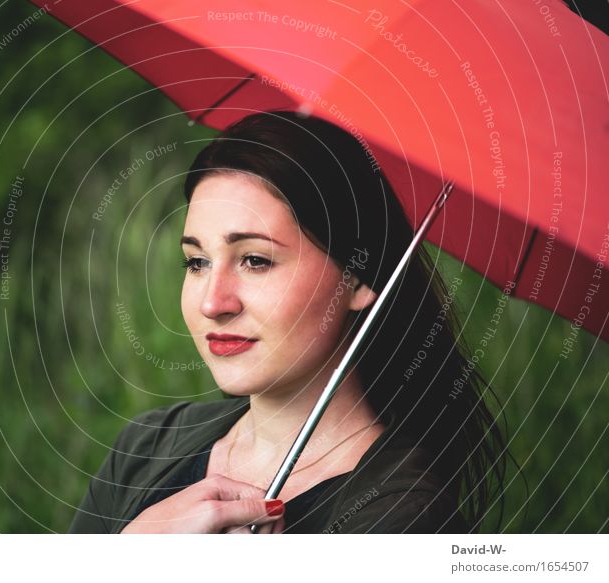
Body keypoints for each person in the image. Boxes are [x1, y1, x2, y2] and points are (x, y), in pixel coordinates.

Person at [69, 111, 507, 534]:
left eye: (256, 260)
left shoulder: (403, 522)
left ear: (358, 278)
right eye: (197, 261)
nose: (212, 303)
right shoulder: (146, 448)